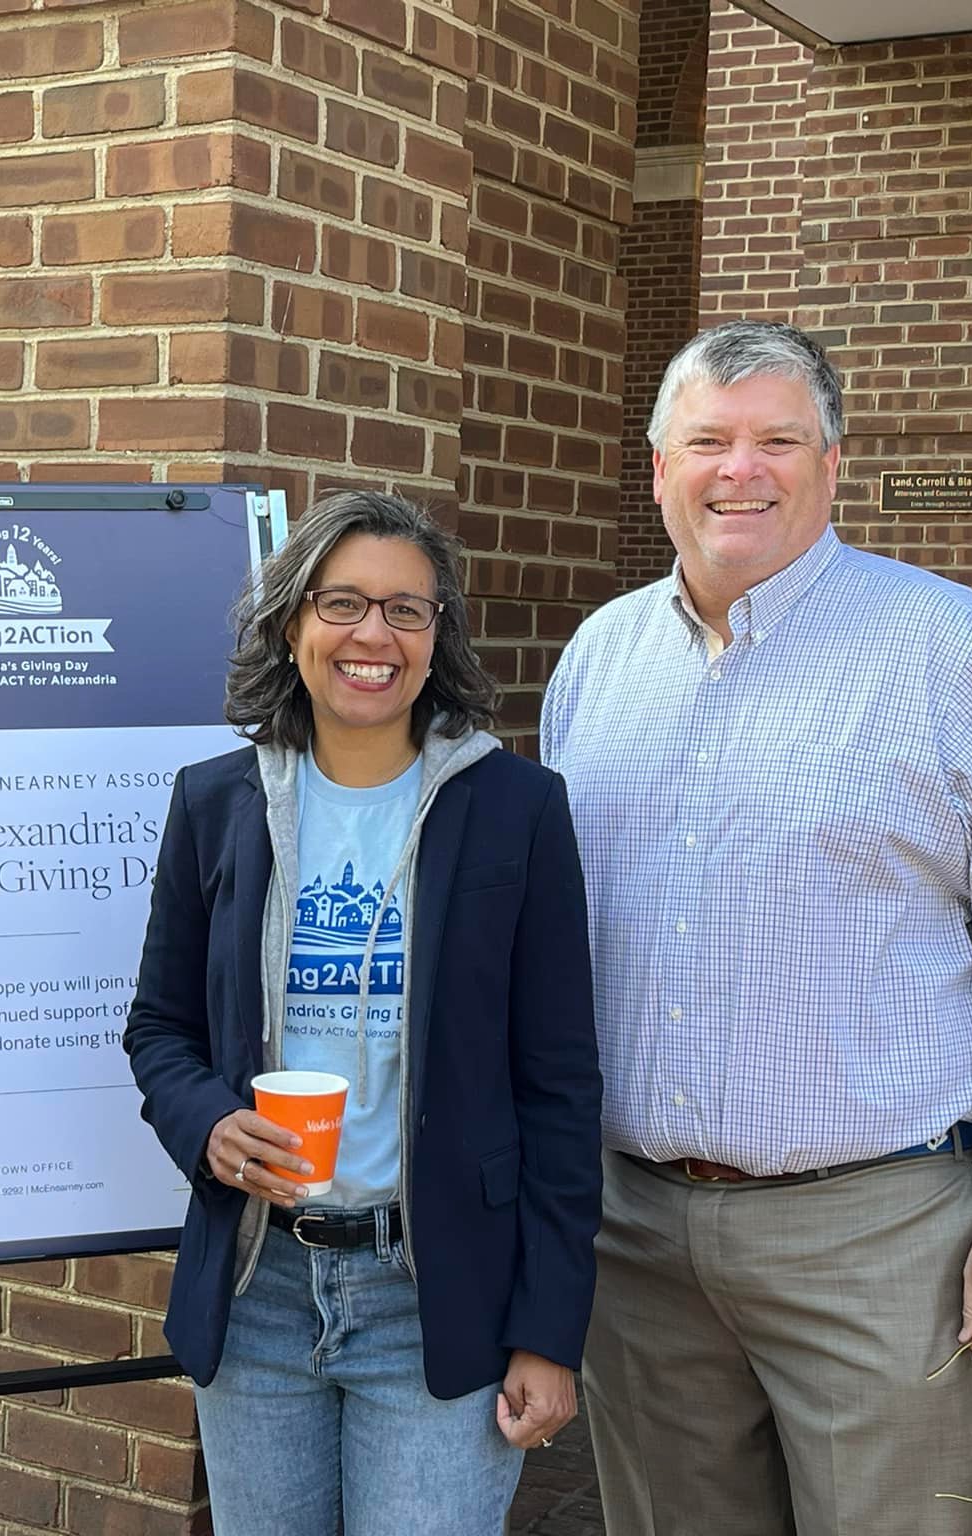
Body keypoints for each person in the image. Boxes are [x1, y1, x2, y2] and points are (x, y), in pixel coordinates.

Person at [541, 319, 972, 1534]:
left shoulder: (940, 645)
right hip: (635, 1235)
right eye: (705, 440)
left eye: (775, 440)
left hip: (876, 1240)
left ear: (831, 463)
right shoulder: (597, 660)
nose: (736, 470)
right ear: (658, 467)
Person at [124, 490, 602, 1535]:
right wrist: (206, 1120)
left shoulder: (516, 810)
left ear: (438, 639)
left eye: (405, 611)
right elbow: (157, 1027)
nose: (372, 636)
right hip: (258, 1285)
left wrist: (547, 1328)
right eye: (341, 603)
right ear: (291, 623)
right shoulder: (216, 803)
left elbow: (559, 1088)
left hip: (435, 1295)